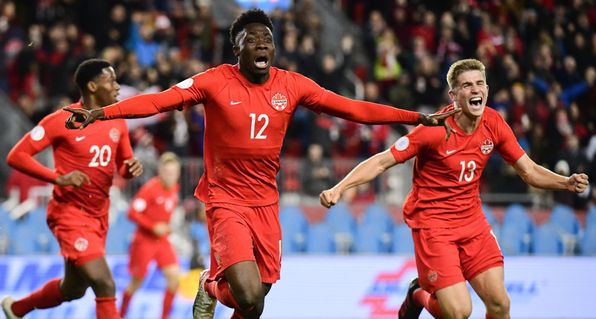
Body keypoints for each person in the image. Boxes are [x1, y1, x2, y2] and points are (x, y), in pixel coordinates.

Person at [63, 9, 458, 319]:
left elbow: (352, 109)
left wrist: (411, 116)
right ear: (238, 49)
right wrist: (102, 114)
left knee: (255, 304)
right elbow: (158, 100)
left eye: (267, 39)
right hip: (226, 200)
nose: (262, 44)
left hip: (265, 204)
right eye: (253, 40)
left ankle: (215, 290)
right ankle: (209, 284)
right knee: (248, 294)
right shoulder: (214, 81)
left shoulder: (292, 84)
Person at [320, 59, 589, 319]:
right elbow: (381, 161)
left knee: (500, 305)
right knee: (459, 312)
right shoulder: (433, 130)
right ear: (454, 95)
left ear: (487, 90)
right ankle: (418, 294)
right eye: (467, 85)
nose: (475, 90)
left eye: (479, 83)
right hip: (434, 226)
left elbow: (528, 170)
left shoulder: (493, 123)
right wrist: (340, 188)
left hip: (472, 223)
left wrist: (564, 182)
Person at [3, 58, 143, 319]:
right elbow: (17, 156)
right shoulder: (62, 121)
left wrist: (129, 169)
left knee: (73, 289)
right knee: (105, 283)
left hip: (98, 216)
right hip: (69, 214)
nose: (116, 87)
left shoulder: (118, 120)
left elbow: (123, 164)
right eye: (110, 80)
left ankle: (16, 308)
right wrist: (58, 178)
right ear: (91, 86)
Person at [119, 152, 181, 319]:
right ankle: (120, 315)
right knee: (136, 282)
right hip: (144, 241)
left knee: (174, 278)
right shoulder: (150, 189)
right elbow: (132, 212)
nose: (171, 176)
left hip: (162, 241)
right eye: (167, 172)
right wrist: (153, 226)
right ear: (160, 172)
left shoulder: (175, 189)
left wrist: (166, 227)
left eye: (174, 173)